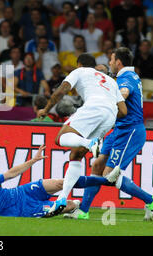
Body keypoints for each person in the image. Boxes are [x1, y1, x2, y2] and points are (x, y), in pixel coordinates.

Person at [66, 48, 153, 220]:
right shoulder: (127, 77)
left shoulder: (127, 78)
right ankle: (83, 211)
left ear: (118, 62)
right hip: (119, 130)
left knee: (109, 174)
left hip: (130, 132)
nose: (110, 63)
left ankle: (150, 199)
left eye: (111, 60)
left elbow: (123, 93)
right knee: (97, 165)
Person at [36, 53, 127, 216]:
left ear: (79, 65)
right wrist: (107, 116)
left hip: (93, 108)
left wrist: (46, 109)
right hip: (110, 115)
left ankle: (90, 144)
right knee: (75, 155)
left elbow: (60, 91)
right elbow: (123, 111)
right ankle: (62, 199)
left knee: (60, 139)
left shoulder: (80, 72)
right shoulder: (111, 82)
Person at [0, 145, 115, 217]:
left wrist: (33, 160)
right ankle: (75, 208)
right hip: (23, 209)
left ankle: (106, 181)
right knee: (70, 205)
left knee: (61, 183)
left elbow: (11, 173)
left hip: (23, 191)